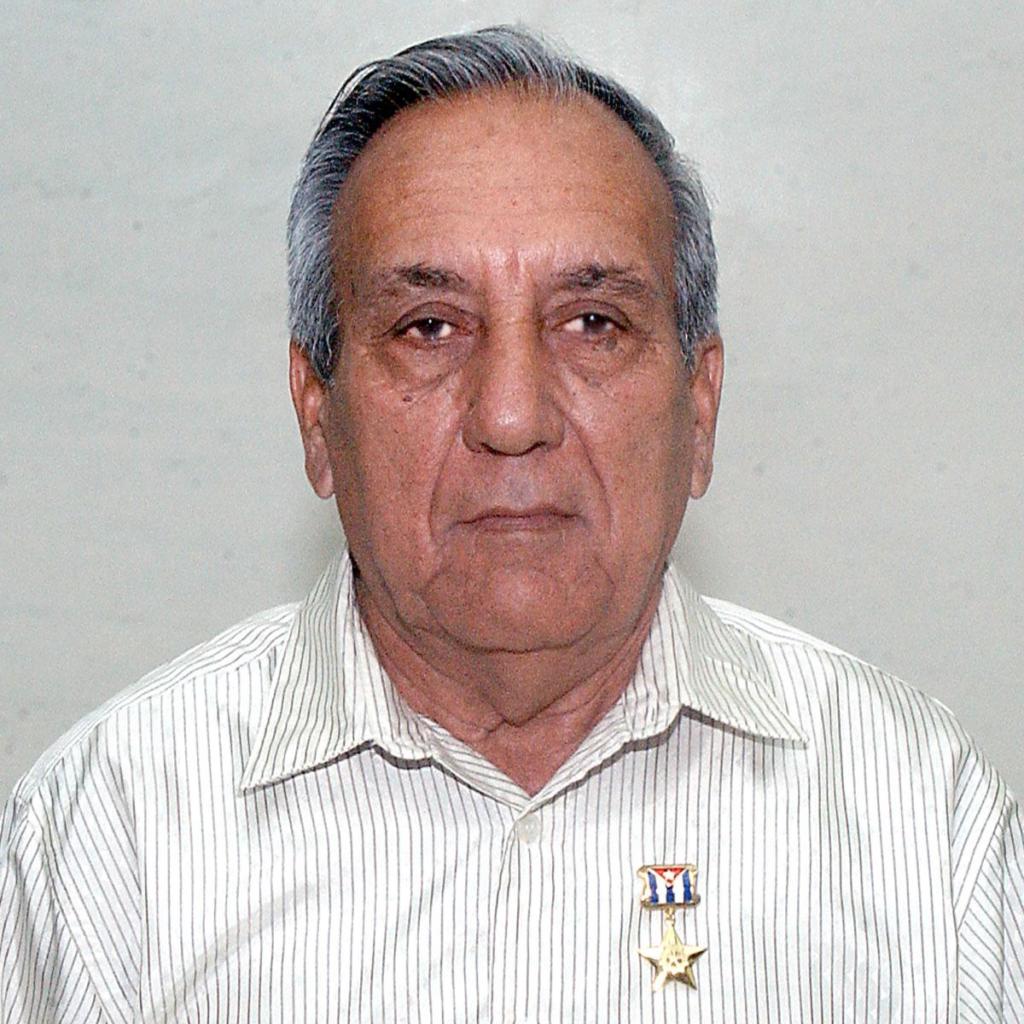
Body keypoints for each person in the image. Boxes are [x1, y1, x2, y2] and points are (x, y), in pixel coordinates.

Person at [1, 25, 1021, 1023]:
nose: (511, 415)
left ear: (700, 409)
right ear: (317, 416)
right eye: (429, 327)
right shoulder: (110, 836)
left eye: (593, 324)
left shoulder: (918, 818)